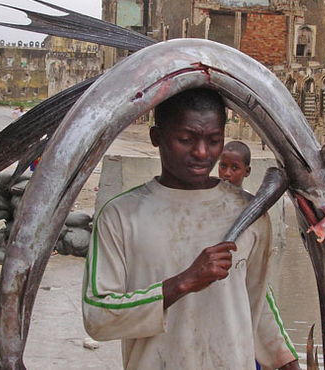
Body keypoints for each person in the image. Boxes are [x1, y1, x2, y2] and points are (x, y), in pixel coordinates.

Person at [82, 88, 300, 370]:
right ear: (156, 137)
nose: (201, 153)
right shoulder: (120, 216)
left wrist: (287, 362)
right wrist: (183, 282)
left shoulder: (248, 212)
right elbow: (97, 316)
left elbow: (255, 303)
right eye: (186, 139)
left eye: (214, 141)